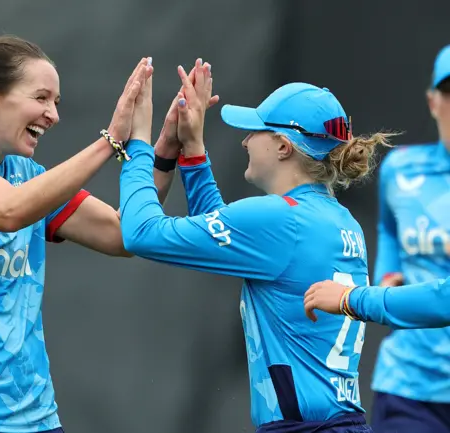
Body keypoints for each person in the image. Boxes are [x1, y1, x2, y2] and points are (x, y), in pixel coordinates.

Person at [0, 35, 191, 433]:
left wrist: (162, 149)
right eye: (42, 98)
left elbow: (123, 234)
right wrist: (109, 142)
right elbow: (7, 210)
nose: (53, 115)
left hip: (34, 419)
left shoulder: (27, 177)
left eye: (56, 103)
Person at [118, 61, 392, 432]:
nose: (245, 140)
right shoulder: (339, 220)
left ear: (283, 147)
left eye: (255, 131)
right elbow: (222, 237)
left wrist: (137, 146)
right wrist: (193, 148)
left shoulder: (282, 219)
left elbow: (141, 233)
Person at [353, 43, 450, 433]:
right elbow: (388, 228)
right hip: (409, 384)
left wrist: (358, 300)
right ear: (432, 101)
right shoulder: (401, 170)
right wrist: (387, 271)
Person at [303, 276, 450, 329]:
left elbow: (444, 301)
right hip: (404, 370)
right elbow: (388, 229)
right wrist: (386, 272)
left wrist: (349, 298)